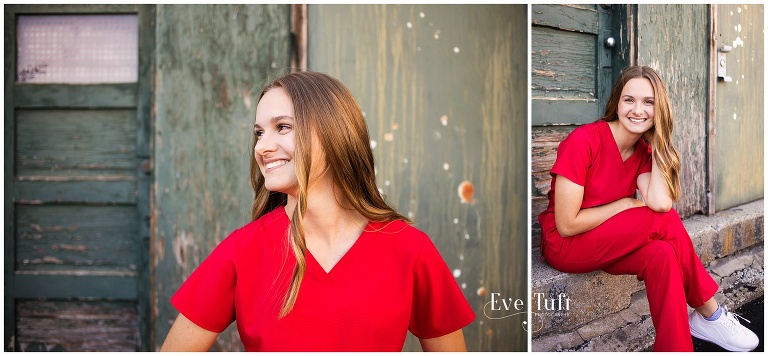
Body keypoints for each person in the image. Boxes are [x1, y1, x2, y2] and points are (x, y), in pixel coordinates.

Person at [160, 71, 475, 351]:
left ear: (333, 132)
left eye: (282, 127)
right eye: (259, 132)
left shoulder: (409, 249)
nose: (261, 147)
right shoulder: (241, 251)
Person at [537, 66, 759, 352]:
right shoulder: (584, 141)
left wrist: (658, 145)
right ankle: (711, 313)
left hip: (605, 242)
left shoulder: (643, 152)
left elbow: (660, 203)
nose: (637, 110)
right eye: (629, 100)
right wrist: (625, 203)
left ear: (659, 109)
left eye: (648, 102)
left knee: (662, 254)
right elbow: (566, 224)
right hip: (566, 245)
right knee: (663, 224)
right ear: (617, 103)